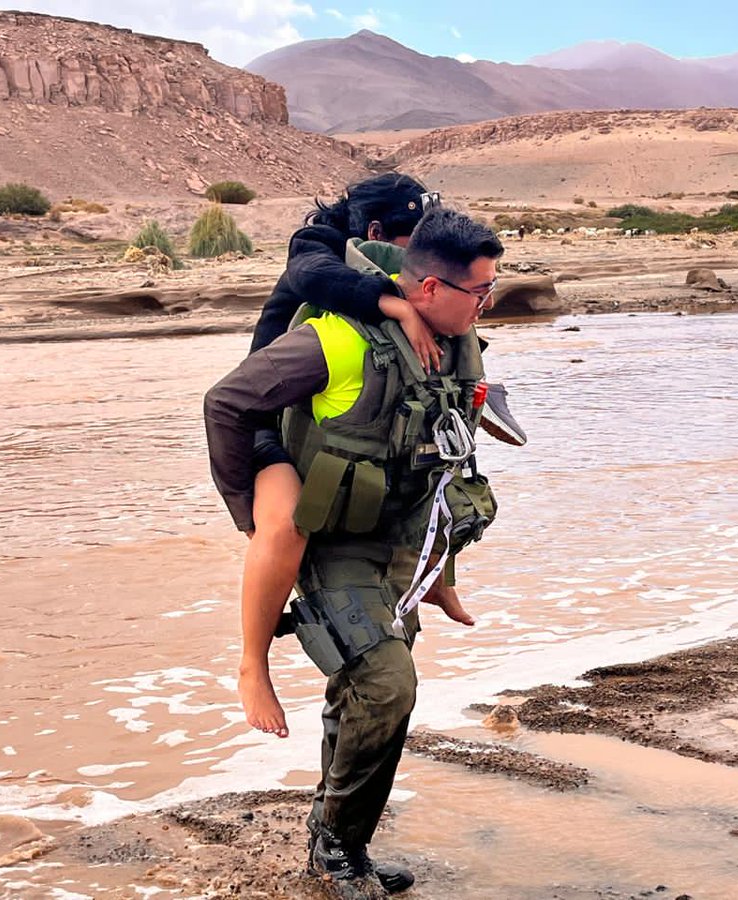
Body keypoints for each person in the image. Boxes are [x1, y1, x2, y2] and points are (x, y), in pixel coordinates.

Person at [205, 208, 504, 895]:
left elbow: (448, 458)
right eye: (480, 291)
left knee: (368, 692)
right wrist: (251, 513)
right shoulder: (336, 341)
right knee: (387, 684)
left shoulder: (461, 342)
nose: (488, 303)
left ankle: (337, 842)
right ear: (430, 288)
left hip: (401, 544)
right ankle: (338, 849)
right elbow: (226, 402)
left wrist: (442, 571)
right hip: (333, 538)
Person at [237, 174, 444, 741]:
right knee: (287, 525)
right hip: (266, 428)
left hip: (332, 433)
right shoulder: (318, 248)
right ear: (375, 232)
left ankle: (438, 582)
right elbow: (311, 275)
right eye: (414, 244)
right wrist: (395, 306)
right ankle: (253, 666)